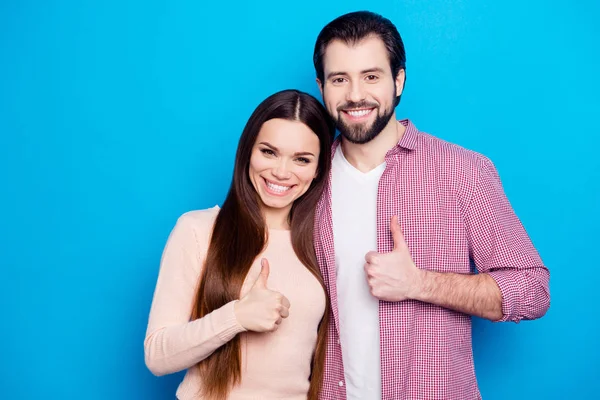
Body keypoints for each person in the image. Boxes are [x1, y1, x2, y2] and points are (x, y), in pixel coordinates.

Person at [311, 11, 551, 400]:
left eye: (371, 76)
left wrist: (419, 283)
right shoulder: (307, 180)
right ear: (322, 86)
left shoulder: (463, 171)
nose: (355, 94)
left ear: (398, 80)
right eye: (340, 79)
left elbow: (533, 290)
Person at [144, 89, 335, 400]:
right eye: (269, 152)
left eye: (301, 159)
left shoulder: (323, 243)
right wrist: (237, 317)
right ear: (248, 151)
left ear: (317, 170)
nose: (281, 172)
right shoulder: (199, 229)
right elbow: (157, 355)